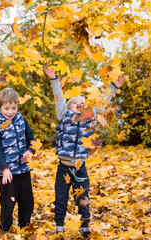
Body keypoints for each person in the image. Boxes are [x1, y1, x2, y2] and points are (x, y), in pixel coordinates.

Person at [43, 65, 124, 238]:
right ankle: (59, 225)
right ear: (68, 106)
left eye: (82, 103)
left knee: (83, 198)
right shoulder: (63, 114)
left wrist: (114, 87)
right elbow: (58, 97)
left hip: (80, 168)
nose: (79, 105)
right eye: (75, 103)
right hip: (63, 167)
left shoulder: (89, 116)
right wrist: (53, 79)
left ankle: (85, 226)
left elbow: (103, 100)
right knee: (61, 198)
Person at [0, 88, 36, 233]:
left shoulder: (21, 120)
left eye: (13, 108)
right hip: (7, 172)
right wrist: (4, 169)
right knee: (8, 202)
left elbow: (31, 139)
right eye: (6, 108)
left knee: (27, 201)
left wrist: (30, 150)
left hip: (23, 169)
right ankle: (5, 229)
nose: (10, 112)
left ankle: (24, 226)